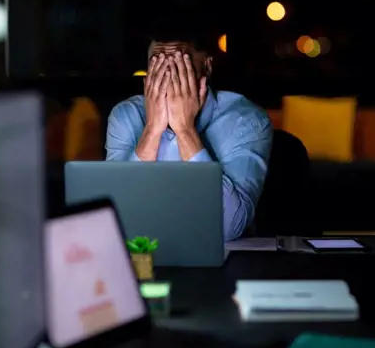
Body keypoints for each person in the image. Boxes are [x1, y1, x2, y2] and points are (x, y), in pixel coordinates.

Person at [105, 14, 273, 241]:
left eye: (178, 66)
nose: (167, 77)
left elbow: (228, 227)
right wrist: (152, 130)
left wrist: (185, 130)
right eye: (157, 66)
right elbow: (115, 220)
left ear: (206, 67)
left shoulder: (245, 120)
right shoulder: (126, 116)